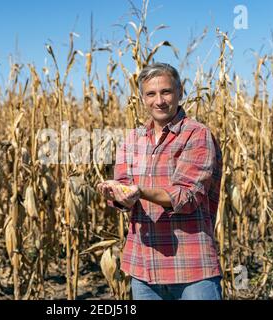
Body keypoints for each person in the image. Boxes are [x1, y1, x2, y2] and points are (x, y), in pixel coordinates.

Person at [97, 63, 223, 300]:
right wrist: (115, 193)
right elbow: (124, 189)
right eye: (151, 94)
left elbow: (187, 196)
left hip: (191, 268)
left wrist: (139, 191)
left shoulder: (196, 134)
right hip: (144, 269)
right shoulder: (133, 139)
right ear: (142, 98)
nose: (159, 101)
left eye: (166, 92)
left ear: (180, 92)